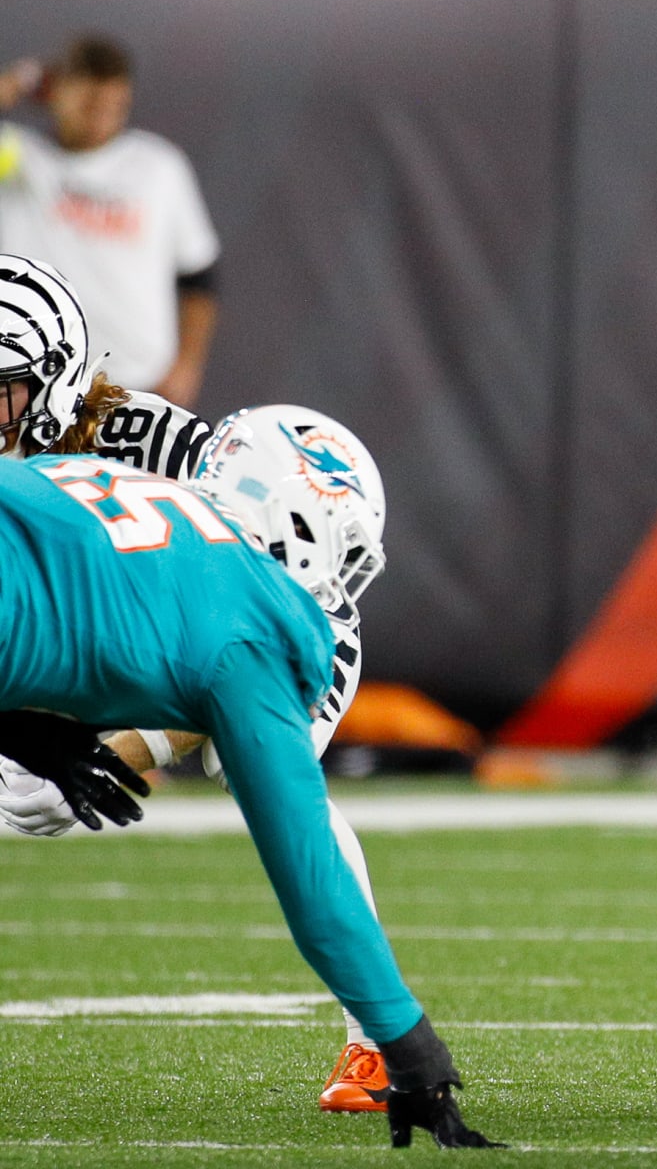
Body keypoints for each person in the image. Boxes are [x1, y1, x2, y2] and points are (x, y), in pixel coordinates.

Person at [0, 254, 397, 1116]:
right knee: (23, 790)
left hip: (276, 620)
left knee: (260, 776)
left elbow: (232, 638)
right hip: (90, 638)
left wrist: (136, 745)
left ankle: (380, 1044)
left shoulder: (162, 454)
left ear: (53, 385)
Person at [0, 33, 219, 406]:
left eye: (113, 106)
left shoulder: (158, 166)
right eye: (88, 103)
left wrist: (188, 366)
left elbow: (199, 276)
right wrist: (20, 80)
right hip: (32, 385)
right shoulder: (18, 158)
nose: (100, 118)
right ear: (55, 92)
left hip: (136, 388)